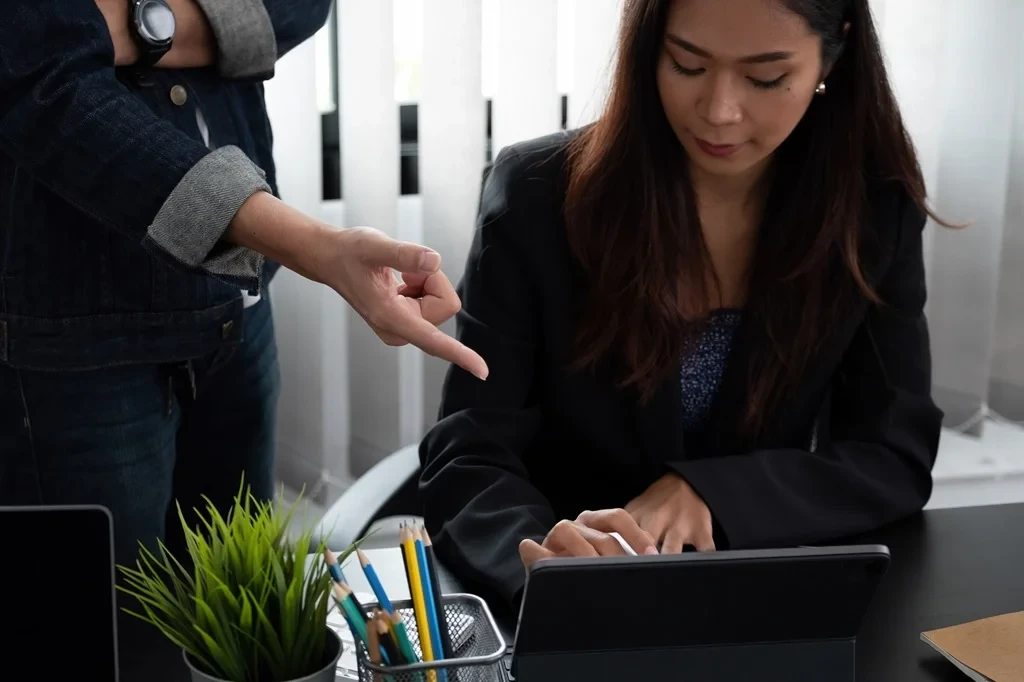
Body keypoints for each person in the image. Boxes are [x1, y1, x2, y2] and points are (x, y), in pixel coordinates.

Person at [0, 3, 484, 676]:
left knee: (242, 634)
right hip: (75, 337)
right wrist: (320, 248)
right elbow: (36, 72)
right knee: (111, 646)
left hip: (235, 304)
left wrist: (140, 25)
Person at [419, 0, 946, 614]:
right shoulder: (537, 194)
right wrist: (535, 554)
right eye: (687, 65)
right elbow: (469, 448)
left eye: (766, 78)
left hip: (755, 596)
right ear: (649, 48)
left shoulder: (873, 209)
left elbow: (893, 453)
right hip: (566, 603)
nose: (720, 111)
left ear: (835, 55)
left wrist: (715, 494)